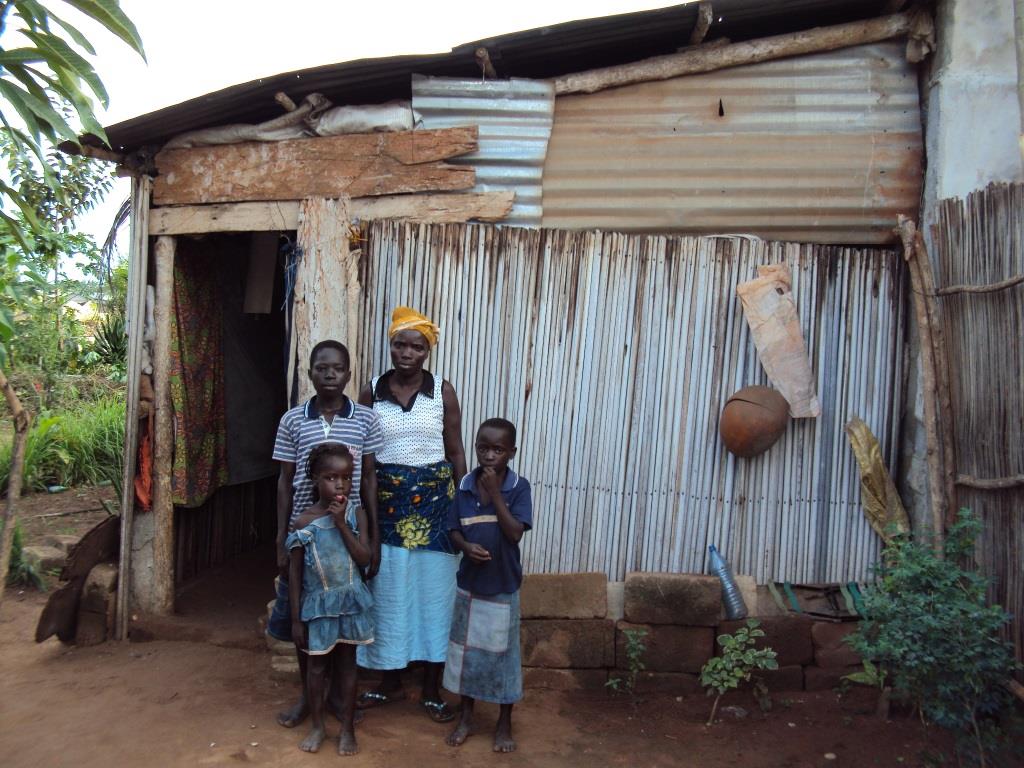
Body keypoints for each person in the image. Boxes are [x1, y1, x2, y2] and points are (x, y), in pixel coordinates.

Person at [355, 306, 467, 723]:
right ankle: (389, 683)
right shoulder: (370, 391)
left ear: (427, 351)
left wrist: (463, 506)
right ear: (390, 346)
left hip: (438, 511)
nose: (407, 352)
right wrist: (367, 519)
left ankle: (432, 689)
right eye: (400, 344)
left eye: (416, 346)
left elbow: (455, 451)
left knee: (436, 596)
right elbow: (366, 459)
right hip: (386, 508)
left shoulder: (443, 391)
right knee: (389, 593)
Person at [268, 340, 384, 729]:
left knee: (342, 617)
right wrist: (281, 539)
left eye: (337, 368)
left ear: (349, 374)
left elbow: (368, 478)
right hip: (305, 537)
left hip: (346, 536)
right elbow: (285, 482)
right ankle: (308, 696)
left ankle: (338, 698)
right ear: (310, 374)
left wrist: (375, 536)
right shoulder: (292, 420)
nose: (330, 374)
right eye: (322, 368)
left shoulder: (365, 419)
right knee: (305, 615)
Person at [443, 418, 532, 753]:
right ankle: (465, 716)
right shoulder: (465, 484)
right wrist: (466, 548)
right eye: (483, 447)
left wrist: (496, 495)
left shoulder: (518, 488)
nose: (489, 455)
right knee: (466, 656)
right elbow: (453, 530)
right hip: (470, 584)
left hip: (503, 585)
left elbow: (514, 533)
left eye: (498, 449)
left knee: (503, 658)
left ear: (511, 452)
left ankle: (503, 722)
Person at [287, 443, 374, 755]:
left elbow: (364, 558)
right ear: (314, 479)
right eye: (331, 477)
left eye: (347, 478)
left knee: (349, 667)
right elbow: (295, 578)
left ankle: (347, 729)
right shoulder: (303, 523)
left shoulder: (355, 515)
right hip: (319, 608)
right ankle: (318, 726)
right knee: (316, 669)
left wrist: (340, 524)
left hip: (350, 605)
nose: (340, 485)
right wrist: (296, 620)